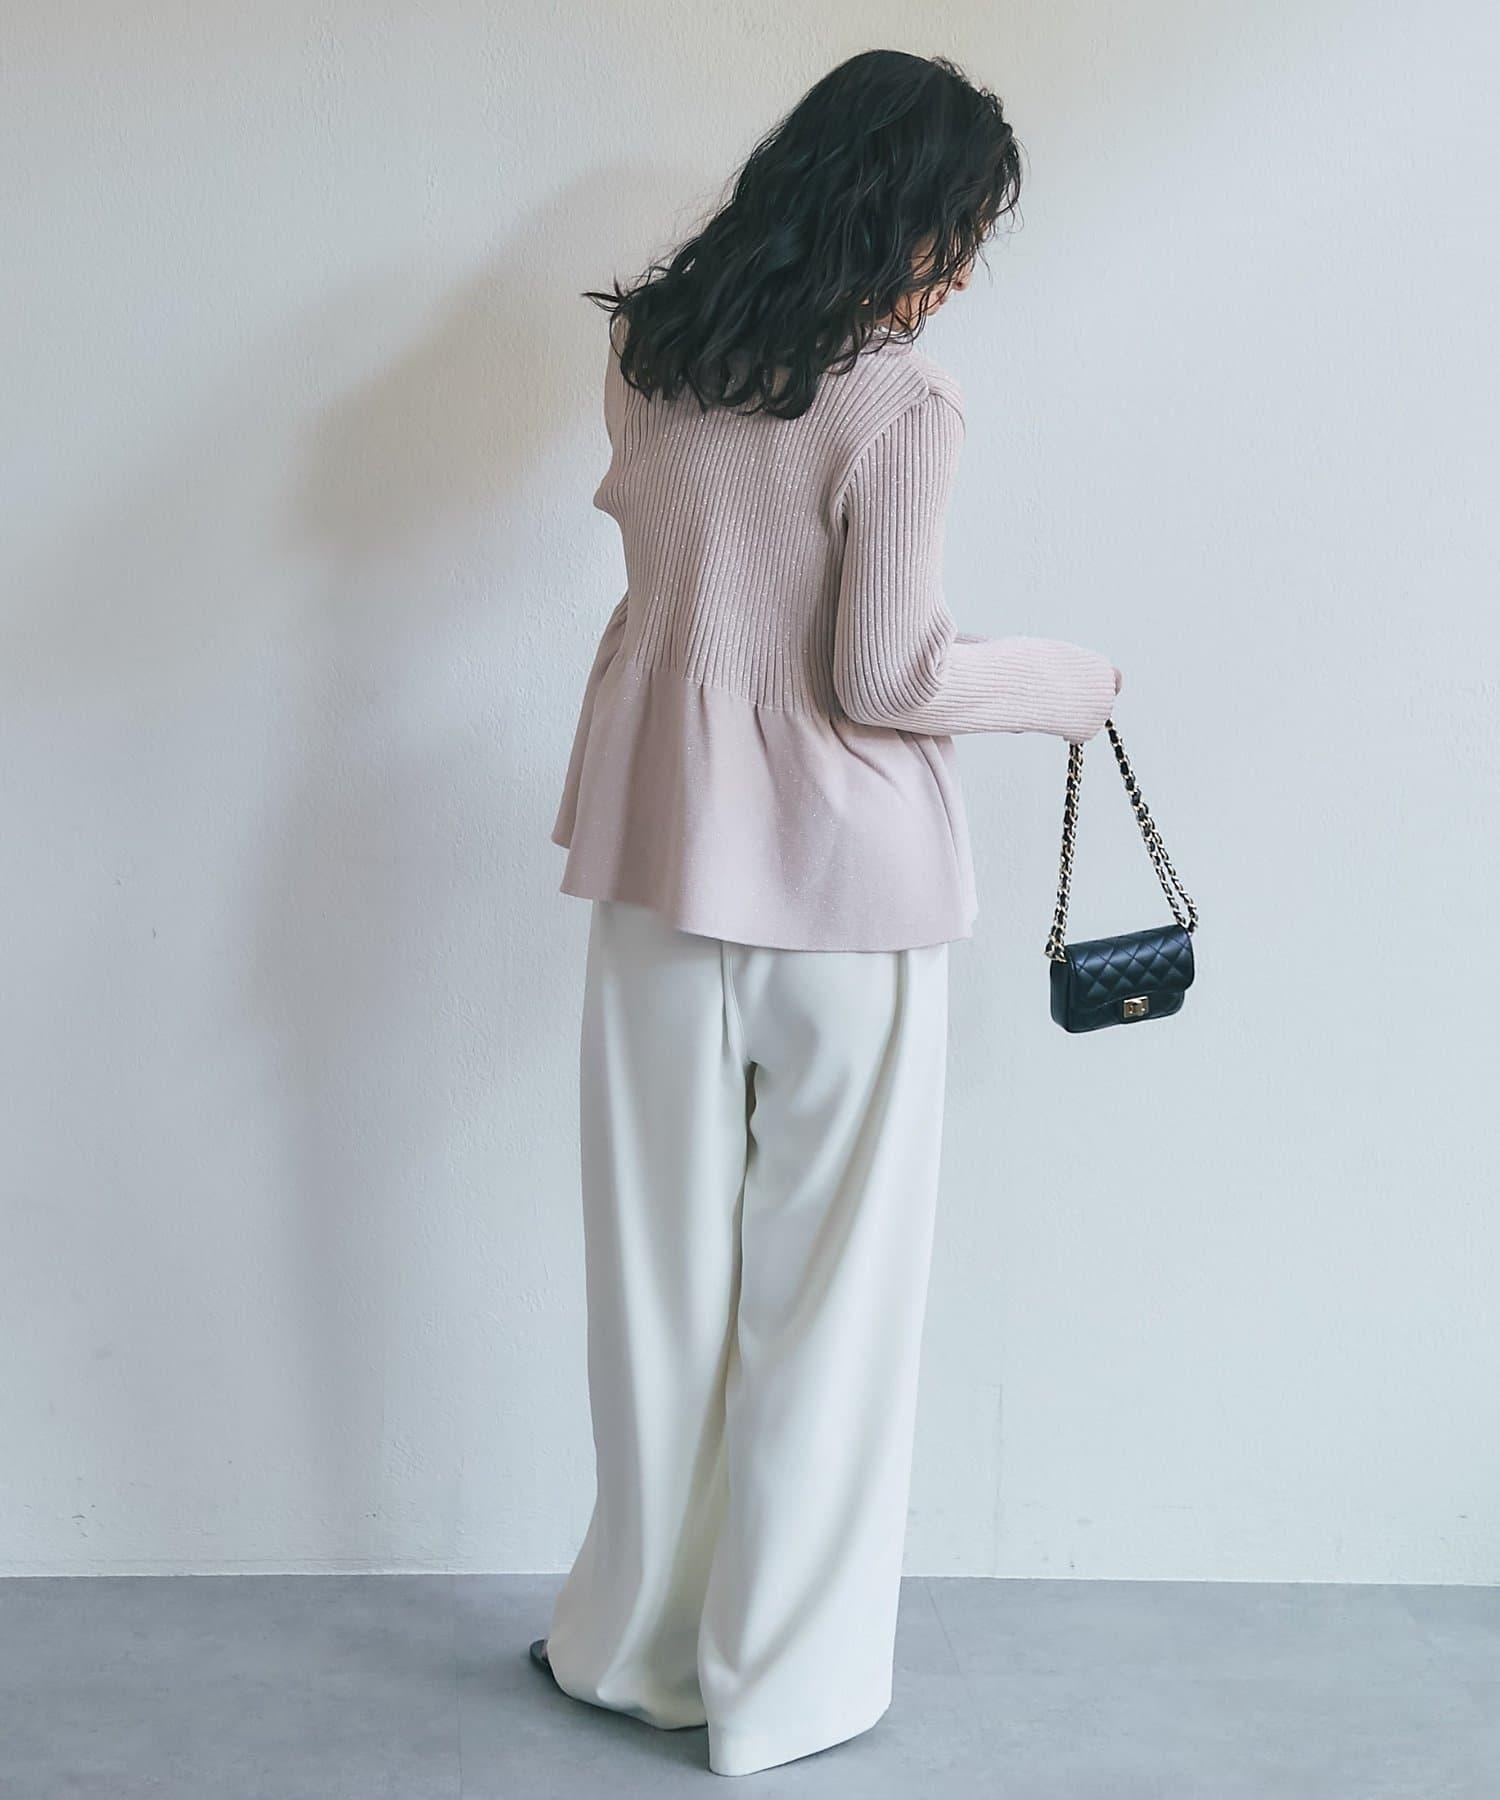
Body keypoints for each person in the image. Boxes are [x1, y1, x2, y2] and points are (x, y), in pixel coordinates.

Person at [531, 48, 1121, 1779]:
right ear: (902, 213)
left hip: (660, 860)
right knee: (832, 1306)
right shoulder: (900, 401)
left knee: (654, 1290)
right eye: (960, 231)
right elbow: (889, 674)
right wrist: (1069, 683)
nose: (962, 272)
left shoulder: (651, 355)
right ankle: (783, 1689)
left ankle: (631, 1651)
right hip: (848, 893)